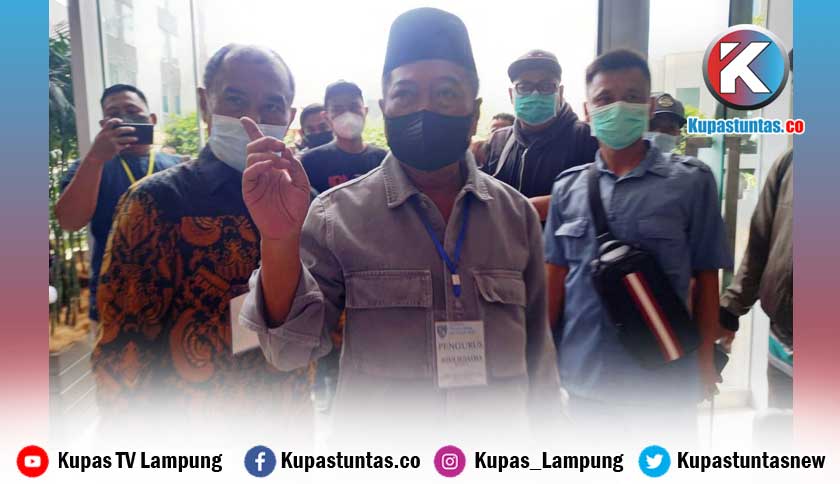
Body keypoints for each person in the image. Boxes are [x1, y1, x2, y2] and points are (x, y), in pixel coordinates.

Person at [239, 7, 560, 438]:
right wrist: (278, 240)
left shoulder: (515, 215)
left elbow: (539, 358)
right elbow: (287, 351)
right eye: (405, 94)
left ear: (474, 110)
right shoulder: (338, 216)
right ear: (385, 108)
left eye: (446, 93)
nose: (424, 109)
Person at [92, 45, 311, 430]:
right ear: (205, 103)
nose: (253, 119)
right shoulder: (156, 204)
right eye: (236, 99)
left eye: (272, 106)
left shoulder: (310, 207)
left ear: (290, 116)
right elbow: (122, 352)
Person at [544, 49, 732, 440]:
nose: (618, 107)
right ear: (587, 111)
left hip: (664, 386)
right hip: (586, 382)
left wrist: (702, 365)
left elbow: (706, 279)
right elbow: (554, 282)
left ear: (647, 107)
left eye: (631, 97)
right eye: (604, 98)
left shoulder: (691, 182)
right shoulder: (567, 188)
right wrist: (541, 365)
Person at [55, 84, 180, 323]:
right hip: (113, 298)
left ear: (152, 119)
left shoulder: (177, 165)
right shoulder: (89, 167)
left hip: (174, 293)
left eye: (133, 111)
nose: (125, 119)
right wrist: (95, 158)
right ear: (104, 125)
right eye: (114, 115)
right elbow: (69, 221)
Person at [483, 49, 598, 221]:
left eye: (546, 86)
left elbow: (601, 195)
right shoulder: (498, 141)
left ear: (560, 93)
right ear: (511, 95)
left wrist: (540, 208)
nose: (535, 93)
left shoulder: (587, 138)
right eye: (524, 87)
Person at [300, 80, 386, 194]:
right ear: (326, 117)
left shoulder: (384, 160)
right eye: (337, 109)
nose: (347, 115)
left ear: (365, 111)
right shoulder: (310, 163)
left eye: (354, 107)